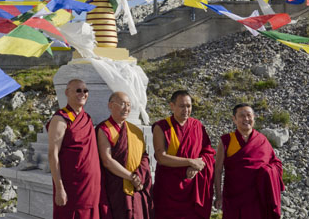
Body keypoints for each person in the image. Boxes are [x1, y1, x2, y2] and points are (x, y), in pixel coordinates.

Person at [152, 90, 216, 219]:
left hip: (192, 187)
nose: (186, 110)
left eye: (189, 106)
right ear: (172, 106)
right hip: (168, 188)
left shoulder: (197, 126)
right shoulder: (162, 127)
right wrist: (190, 162)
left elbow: (208, 152)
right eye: (182, 106)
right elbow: (161, 157)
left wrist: (197, 167)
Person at [214, 103, 284, 219]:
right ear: (234, 119)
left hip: (258, 196)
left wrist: (268, 171)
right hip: (233, 197)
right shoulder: (226, 140)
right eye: (241, 116)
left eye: (249, 115)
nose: (246, 119)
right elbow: (218, 170)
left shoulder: (262, 140)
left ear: (254, 118)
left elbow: (276, 163)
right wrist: (218, 195)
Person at [46, 79, 101, 219]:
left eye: (85, 91)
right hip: (71, 187)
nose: (82, 93)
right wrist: (59, 188)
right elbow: (53, 155)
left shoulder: (87, 118)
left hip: (90, 186)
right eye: (78, 90)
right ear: (67, 92)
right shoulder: (60, 119)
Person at [97, 92, 154, 219]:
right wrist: (130, 177)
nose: (127, 108)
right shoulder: (104, 129)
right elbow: (107, 160)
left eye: (129, 105)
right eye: (122, 104)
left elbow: (144, 156)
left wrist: (139, 176)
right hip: (117, 185)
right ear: (111, 105)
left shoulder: (135, 131)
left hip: (137, 184)